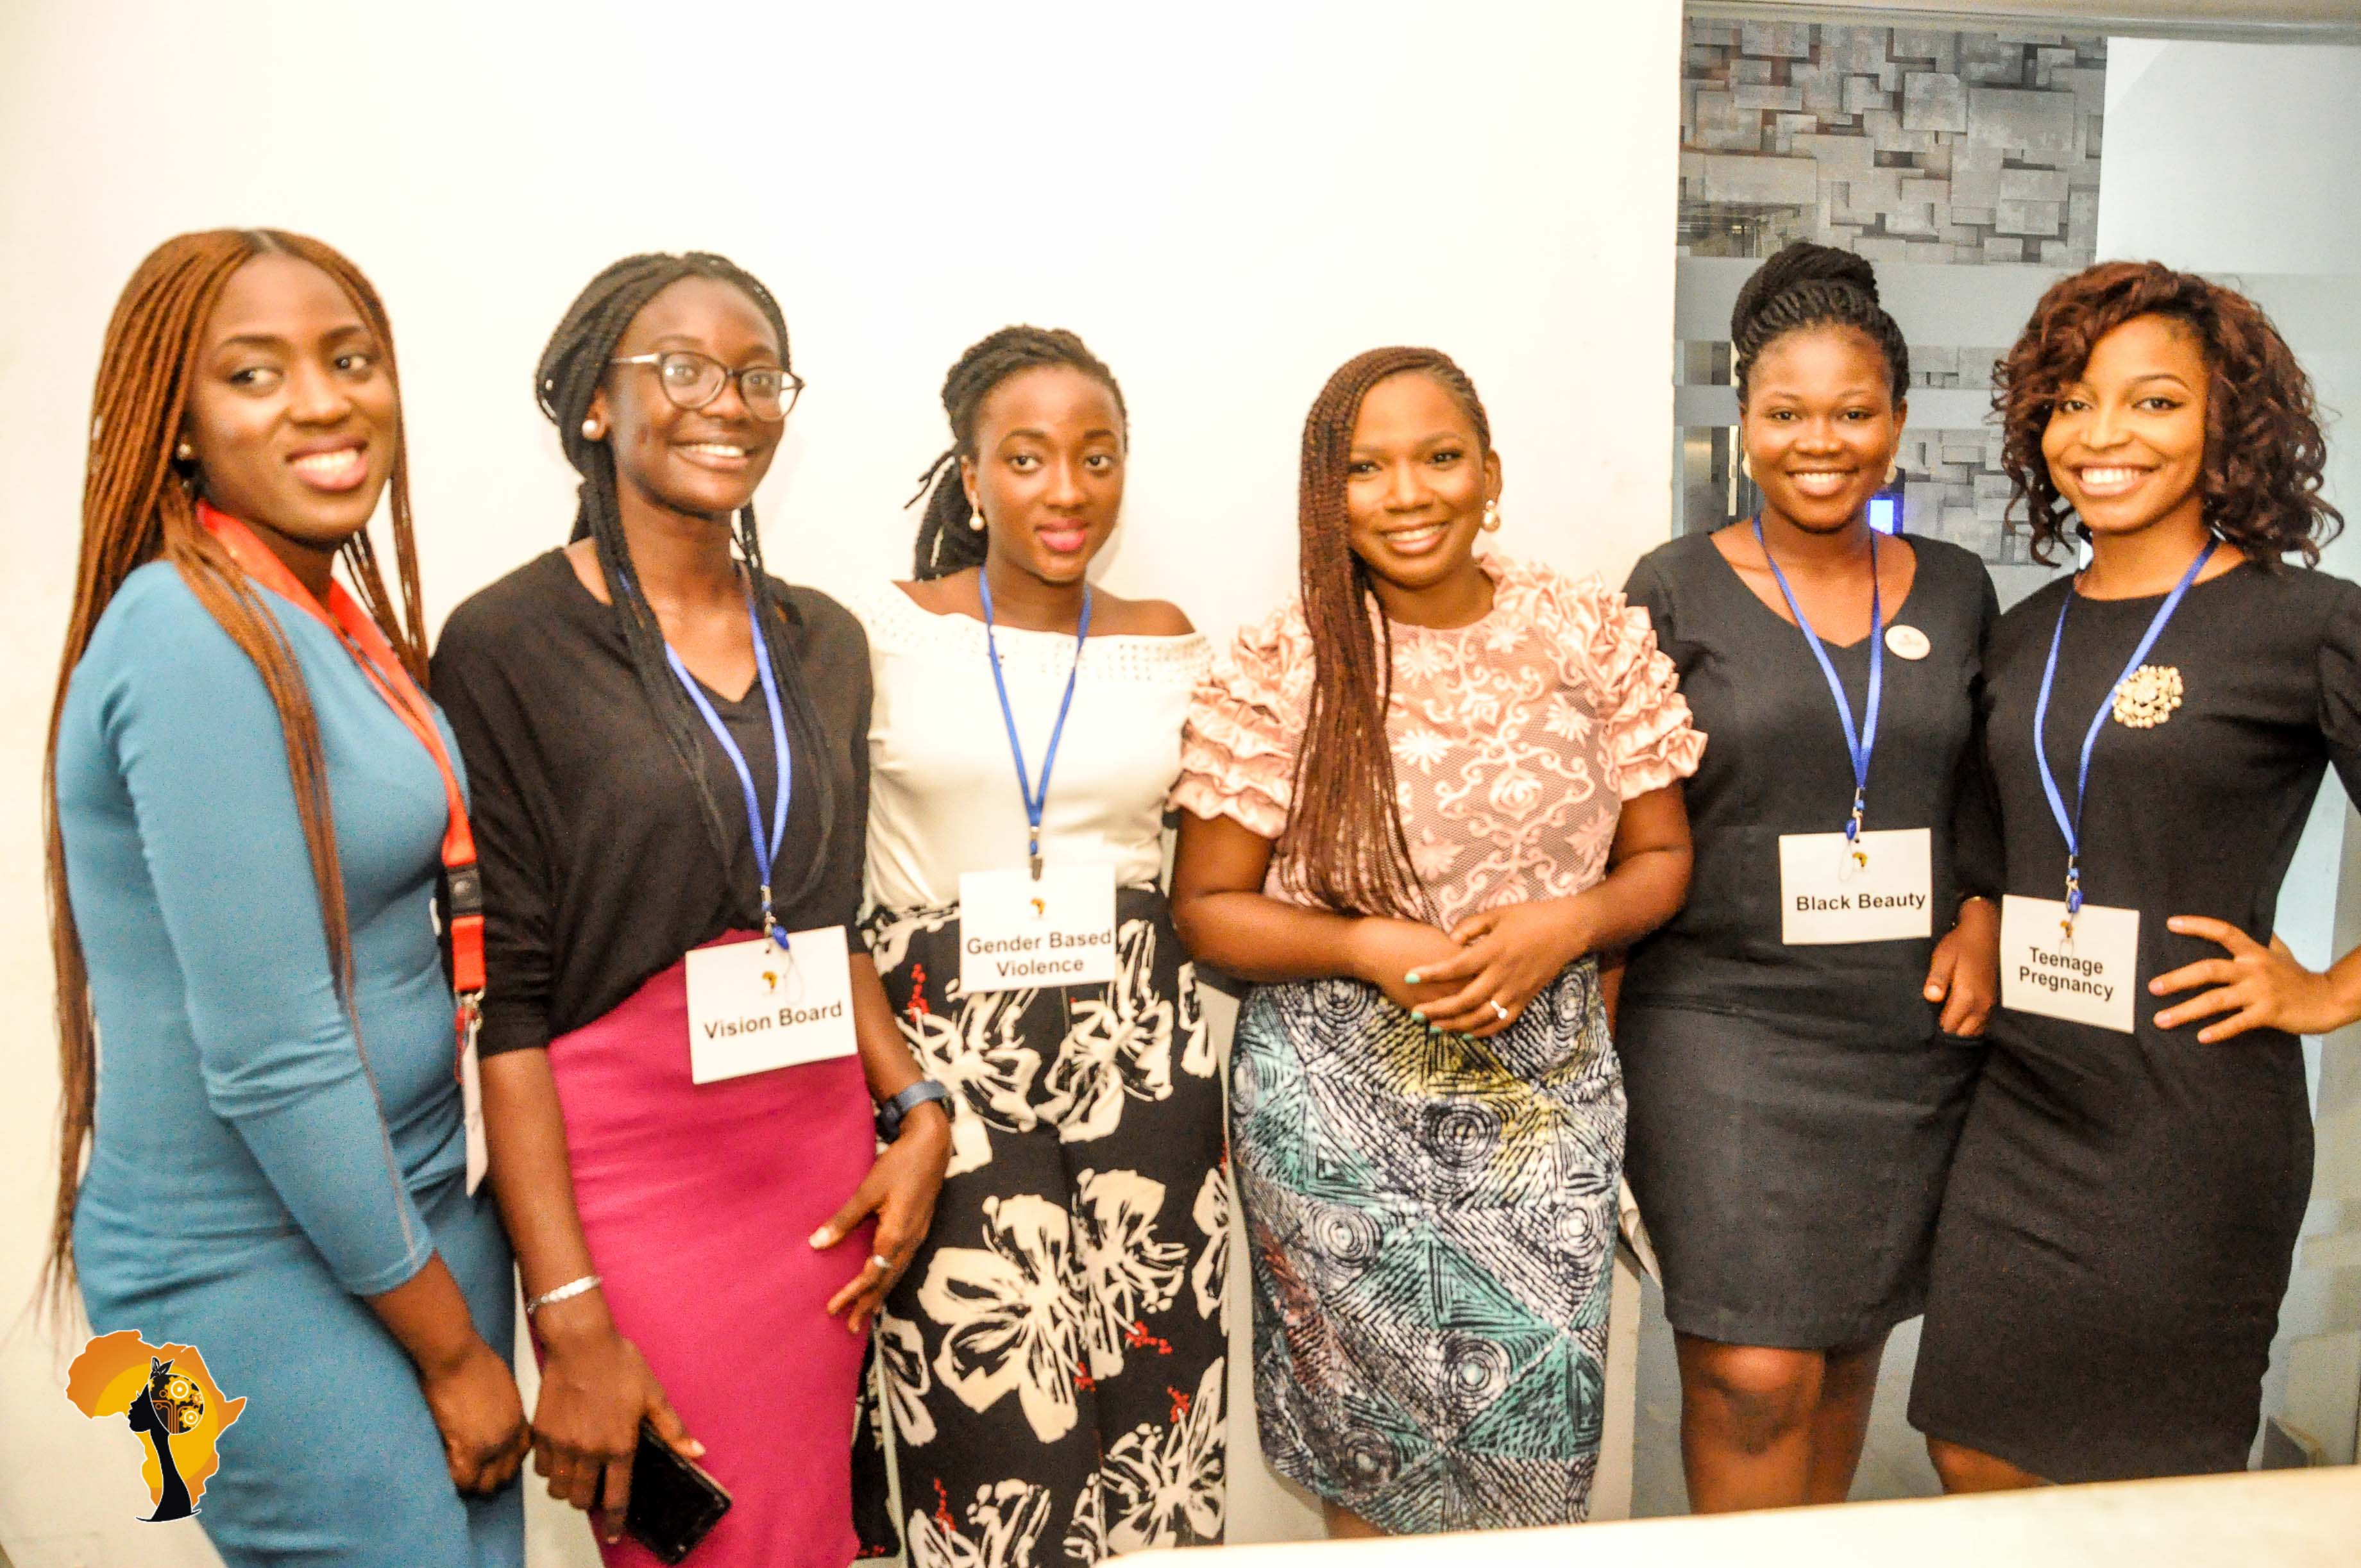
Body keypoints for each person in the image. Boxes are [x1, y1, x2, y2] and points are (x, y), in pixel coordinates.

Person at [431, 252, 948, 1567]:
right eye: (682, 368)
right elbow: (508, 1004)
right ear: (594, 403)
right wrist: (567, 1310)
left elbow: (827, 925)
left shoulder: (822, 640)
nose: (728, 400)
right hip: (636, 1183)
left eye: (759, 375)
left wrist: (920, 1109)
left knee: (808, 1533)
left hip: (817, 1179)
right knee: (705, 1541)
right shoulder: (507, 642)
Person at [47, 230, 528, 1565]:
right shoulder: (184, 634)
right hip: (234, 1265)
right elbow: (271, 1052)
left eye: (350, 360)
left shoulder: (323, 614)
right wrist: (451, 1350)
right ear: (179, 424)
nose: (322, 402)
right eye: (254, 374)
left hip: (409, 1213)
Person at [1169, 346, 1701, 1537]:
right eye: (1365, 468)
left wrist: (1571, 922)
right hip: (1335, 1120)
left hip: (1541, 1106)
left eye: (1440, 456)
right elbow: (1205, 904)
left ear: (1490, 473)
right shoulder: (1287, 659)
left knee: (1532, 1452)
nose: (1407, 493)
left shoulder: (1585, 631)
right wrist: (1364, 947)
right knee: (1370, 1459)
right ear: (1326, 494)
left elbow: (1663, 859)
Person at [1911, 262, 2361, 1488]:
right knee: (1969, 1451)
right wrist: (1975, 912)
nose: (2102, 434)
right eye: (2070, 401)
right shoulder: (2025, 630)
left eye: (2154, 401)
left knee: (2150, 1491)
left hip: (2188, 1127)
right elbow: (1997, 841)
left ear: (2228, 423)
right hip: (2021, 1110)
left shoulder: (2306, 623)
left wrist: (2326, 990)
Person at [1616, 243, 2000, 1512]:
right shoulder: (1672, 588)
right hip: (1721, 1020)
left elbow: (1989, 785)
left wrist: (1984, 909)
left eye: (1851, 412)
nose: (1818, 443)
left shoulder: (1957, 588)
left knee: (1843, 1355)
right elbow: (1622, 823)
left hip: (1906, 1034)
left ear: (1895, 421)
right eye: (1785, 413)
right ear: (1745, 422)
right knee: (1753, 1372)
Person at [847, 326, 1228, 1564]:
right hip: (950, 1066)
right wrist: (897, 1090)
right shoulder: (882, 635)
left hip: (1142, 1059)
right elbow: (829, 893)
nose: (1066, 489)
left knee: (1157, 1424)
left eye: (1096, 456)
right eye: (1025, 458)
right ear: (969, 476)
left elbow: (1206, 861)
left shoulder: (1165, 640)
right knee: (992, 1433)